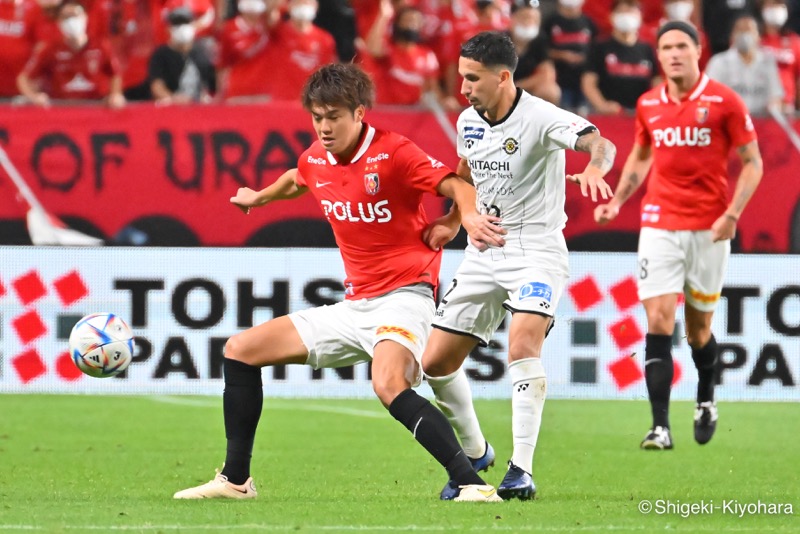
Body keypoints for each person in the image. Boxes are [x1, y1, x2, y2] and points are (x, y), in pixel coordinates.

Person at [173, 63, 506, 502]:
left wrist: (458, 221)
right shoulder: (315, 158)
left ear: (360, 113)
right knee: (239, 351)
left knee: (387, 383)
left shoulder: (395, 153)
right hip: (354, 306)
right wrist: (260, 196)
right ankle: (236, 482)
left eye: (334, 116)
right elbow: (298, 179)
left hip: (406, 297)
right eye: (317, 117)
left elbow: (457, 186)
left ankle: (471, 484)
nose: (325, 127)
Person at [420, 30, 617, 501]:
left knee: (523, 342)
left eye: (473, 78)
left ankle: (520, 470)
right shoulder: (468, 120)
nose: (463, 88)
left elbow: (599, 142)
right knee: (434, 364)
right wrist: (452, 221)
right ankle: (476, 451)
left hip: (536, 251)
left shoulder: (543, 117)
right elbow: (467, 171)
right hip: (483, 250)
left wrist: (594, 167)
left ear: (503, 76)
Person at [594, 21, 763, 450]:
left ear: (698, 50)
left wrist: (732, 214)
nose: (672, 53)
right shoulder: (649, 103)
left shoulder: (724, 101)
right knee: (657, 320)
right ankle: (660, 427)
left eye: (681, 46)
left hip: (709, 229)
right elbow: (641, 157)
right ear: (658, 54)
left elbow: (754, 162)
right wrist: (617, 201)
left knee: (699, 332)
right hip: (659, 223)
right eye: (665, 46)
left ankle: (706, 394)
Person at [16, 0, 125, 108]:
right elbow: (24, 78)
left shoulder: (101, 46)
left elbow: (115, 74)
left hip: (94, 108)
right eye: (66, 17)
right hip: (60, 109)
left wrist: (115, 94)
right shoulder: (49, 49)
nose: (71, 20)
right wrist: (34, 97)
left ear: (85, 17)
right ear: (59, 22)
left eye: (75, 15)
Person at [581, 0, 657, 115]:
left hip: (640, 114)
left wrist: (653, 104)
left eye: (631, 12)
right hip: (609, 115)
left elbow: (656, 81)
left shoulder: (647, 49)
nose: (626, 16)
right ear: (611, 16)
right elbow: (588, 82)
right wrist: (602, 105)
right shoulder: (599, 47)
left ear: (640, 17)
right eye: (621, 12)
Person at [706, 14, 784, 117]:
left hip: (761, 124)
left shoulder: (768, 63)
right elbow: (709, 96)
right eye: (740, 30)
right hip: (729, 121)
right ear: (732, 36)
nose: (744, 35)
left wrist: (774, 106)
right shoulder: (718, 62)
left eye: (749, 30)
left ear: (759, 37)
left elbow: (776, 97)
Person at [148, 7, 215, 104]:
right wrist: (173, 98)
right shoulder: (161, 54)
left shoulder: (202, 52)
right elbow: (157, 85)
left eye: (185, 23)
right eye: (177, 24)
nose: (181, 28)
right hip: (172, 108)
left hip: (199, 108)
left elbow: (210, 82)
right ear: (168, 29)